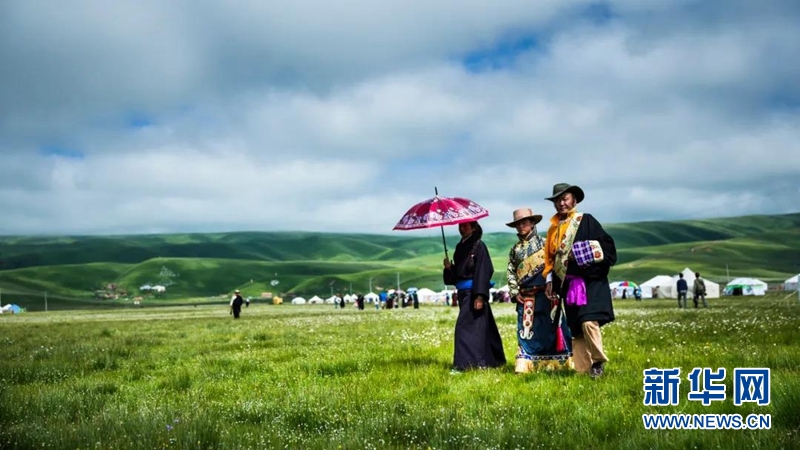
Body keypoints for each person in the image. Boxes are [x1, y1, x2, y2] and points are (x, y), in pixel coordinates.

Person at [543, 183, 616, 378]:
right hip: (568, 285)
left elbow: (606, 245)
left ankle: (598, 362)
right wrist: (549, 280)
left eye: (565, 199)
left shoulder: (586, 221)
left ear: (574, 201)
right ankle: (583, 370)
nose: (561, 203)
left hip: (590, 281)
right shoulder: (552, 230)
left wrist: (583, 253)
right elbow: (550, 259)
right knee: (575, 328)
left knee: (588, 321)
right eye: (557, 200)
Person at [505, 207, 573, 374]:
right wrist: (515, 292)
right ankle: (525, 365)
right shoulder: (515, 250)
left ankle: (559, 364)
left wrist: (556, 287)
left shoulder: (546, 243)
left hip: (547, 294)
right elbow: (511, 271)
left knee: (552, 328)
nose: (521, 226)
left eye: (524, 222)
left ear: (532, 223)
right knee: (526, 331)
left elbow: (557, 266)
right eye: (518, 224)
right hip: (526, 297)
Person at [443, 220, 506, 373]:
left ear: (473, 227)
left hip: (474, 293)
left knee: (463, 328)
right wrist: (449, 268)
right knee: (481, 328)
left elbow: (483, 271)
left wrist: (479, 296)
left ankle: (463, 365)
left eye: (465, 225)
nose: (462, 228)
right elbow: (457, 275)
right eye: (460, 225)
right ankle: (489, 361)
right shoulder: (459, 247)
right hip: (463, 293)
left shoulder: (479, 246)